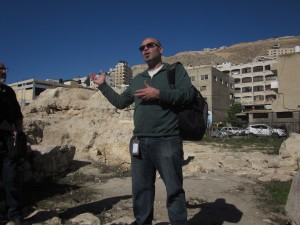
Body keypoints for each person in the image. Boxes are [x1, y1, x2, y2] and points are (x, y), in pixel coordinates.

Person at [90, 37, 194, 225]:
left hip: (167, 140)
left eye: (150, 45)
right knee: (141, 189)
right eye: (142, 48)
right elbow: (121, 103)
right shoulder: (138, 80)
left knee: (174, 189)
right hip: (139, 142)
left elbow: (188, 94)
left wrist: (159, 94)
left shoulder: (174, 70)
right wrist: (103, 86)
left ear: (161, 49)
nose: (145, 49)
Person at [0, 62, 25, 225]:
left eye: (4, 69)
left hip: (9, 142)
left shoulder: (8, 91)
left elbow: (18, 114)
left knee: (11, 178)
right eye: (0, 69)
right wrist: (12, 129)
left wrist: (19, 131)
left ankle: (14, 213)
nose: (3, 71)